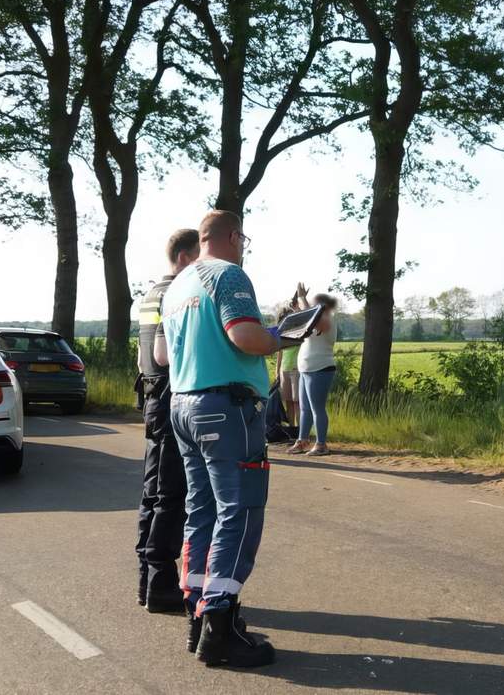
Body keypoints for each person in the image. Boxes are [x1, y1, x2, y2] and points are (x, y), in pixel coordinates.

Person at [154, 210, 295, 668]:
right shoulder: (228, 274)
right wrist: (284, 337)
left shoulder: (178, 285)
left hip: (183, 405)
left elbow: (162, 355)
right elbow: (246, 337)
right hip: (227, 408)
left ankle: (197, 612)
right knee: (240, 509)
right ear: (233, 237)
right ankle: (220, 624)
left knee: (202, 509)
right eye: (243, 238)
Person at [134, 229, 200, 613]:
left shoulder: (150, 293)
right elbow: (165, 355)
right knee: (171, 495)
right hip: (170, 393)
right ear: (184, 258)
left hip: (151, 396)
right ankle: (160, 583)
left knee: (153, 493)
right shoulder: (176, 293)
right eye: (197, 258)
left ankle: (147, 579)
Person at [288, 293, 339, 456]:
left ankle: (321, 444)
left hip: (320, 368)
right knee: (305, 409)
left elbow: (315, 320)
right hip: (306, 369)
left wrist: (303, 299)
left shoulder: (327, 318)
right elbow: (302, 324)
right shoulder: (315, 319)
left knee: (317, 409)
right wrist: (297, 309)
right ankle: (302, 440)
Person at [273, 307, 300, 427]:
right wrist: (277, 370)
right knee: (288, 402)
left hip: (297, 369)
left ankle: (301, 431)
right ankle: (292, 429)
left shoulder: (299, 331)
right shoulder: (281, 333)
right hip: (284, 370)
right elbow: (280, 352)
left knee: (297, 402)